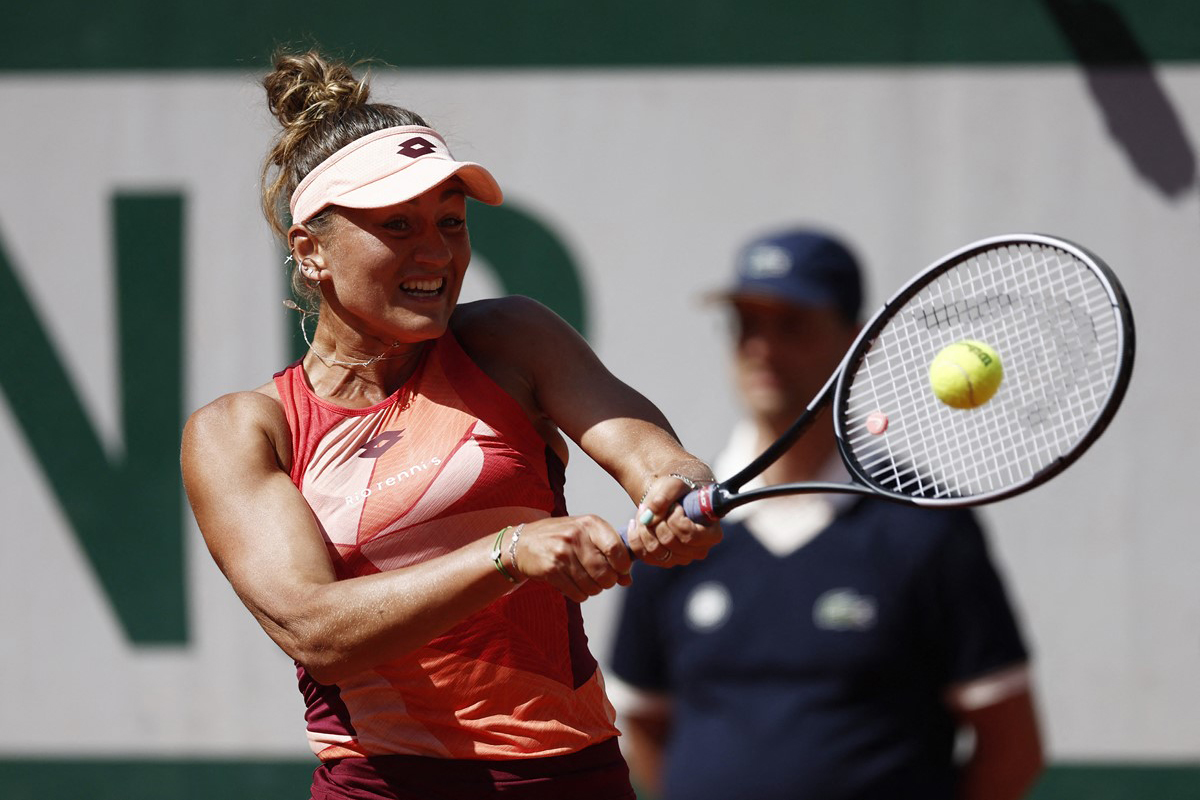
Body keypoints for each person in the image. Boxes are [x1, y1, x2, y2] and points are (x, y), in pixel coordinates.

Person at [180, 50, 721, 800]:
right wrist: (507, 552)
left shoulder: (514, 341)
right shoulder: (240, 431)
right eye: (397, 226)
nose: (435, 252)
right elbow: (317, 632)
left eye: (450, 223)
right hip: (378, 784)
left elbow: (660, 458)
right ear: (311, 252)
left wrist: (679, 497)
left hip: (569, 776)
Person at [609, 229, 1045, 800]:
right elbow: (640, 719)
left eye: (791, 323)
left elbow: (1011, 745)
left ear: (855, 346)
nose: (760, 347)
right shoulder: (676, 527)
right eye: (746, 324)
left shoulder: (926, 527)